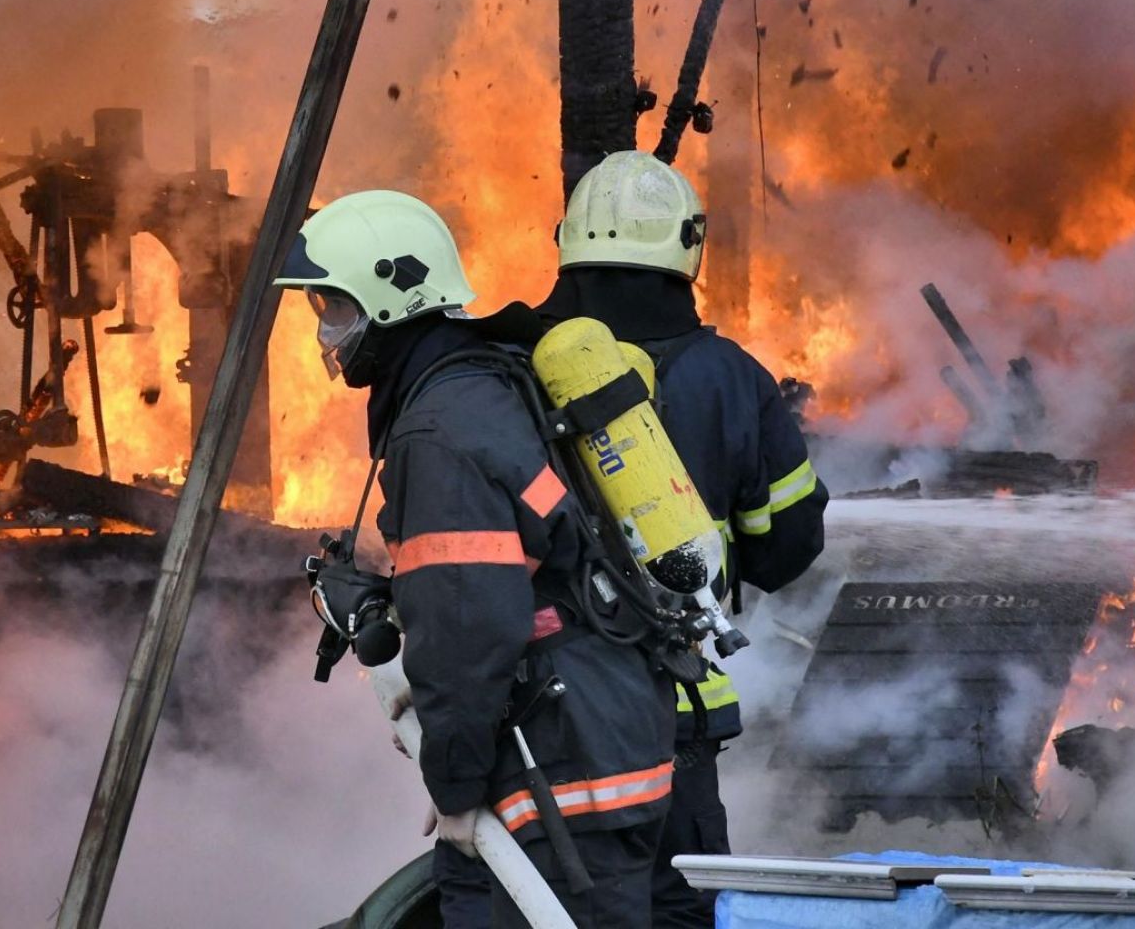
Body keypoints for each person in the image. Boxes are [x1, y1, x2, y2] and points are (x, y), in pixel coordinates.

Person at [276, 191, 677, 929]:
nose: (326, 334)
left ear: (389, 298)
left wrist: (456, 787)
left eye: (333, 308)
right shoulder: (489, 380)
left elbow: (470, 624)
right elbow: (514, 568)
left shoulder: (437, 431)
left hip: (559, 777)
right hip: (601, 736)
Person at [540, 151, 829, 928]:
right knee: (676, 907)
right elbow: (787, 548)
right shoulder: (733, 379)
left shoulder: (519, 366)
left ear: (567, 240)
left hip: (544, 711)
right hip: (675, 706)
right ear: (688, 248)